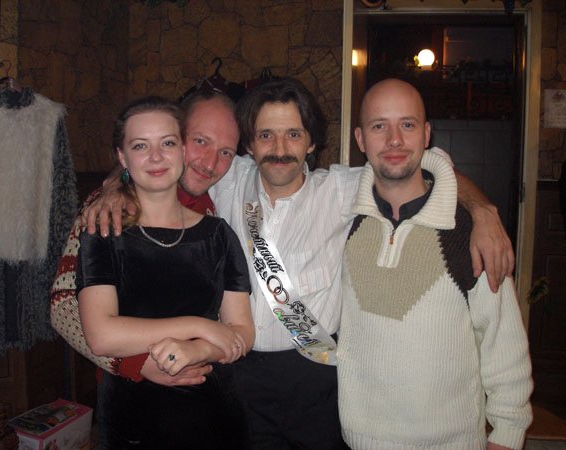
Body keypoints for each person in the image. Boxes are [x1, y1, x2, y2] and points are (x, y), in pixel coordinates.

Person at [52, 78, 515, 449]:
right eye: (265, 135)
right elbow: (160, 161)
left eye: (293, 134)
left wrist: (481, 210)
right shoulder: (228, 178)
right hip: (238, 374)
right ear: (250, 147)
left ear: (312, 143)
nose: (279, 148)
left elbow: (417, 163)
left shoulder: (342, 189)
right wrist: (115, 184)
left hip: (317, 374)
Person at [337, 78, 532, 450]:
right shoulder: (342, 222)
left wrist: (507, 433)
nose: (394, 140)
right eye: (379, 126)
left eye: (407, 124)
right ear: (360, 139)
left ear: (426, 134)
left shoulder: (468, 234)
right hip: (357, 439)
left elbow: (503, 344)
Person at [75, 96, 254, 449]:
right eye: (141, 146)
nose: (156, 157)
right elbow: (100, 335)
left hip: (216, 416)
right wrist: (199, 326)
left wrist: (198, 350)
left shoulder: (219, 233)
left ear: (181, 150)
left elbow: (242, 333)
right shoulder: (102, 228)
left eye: (167, 143)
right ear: (122, 158)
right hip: (133, 419)